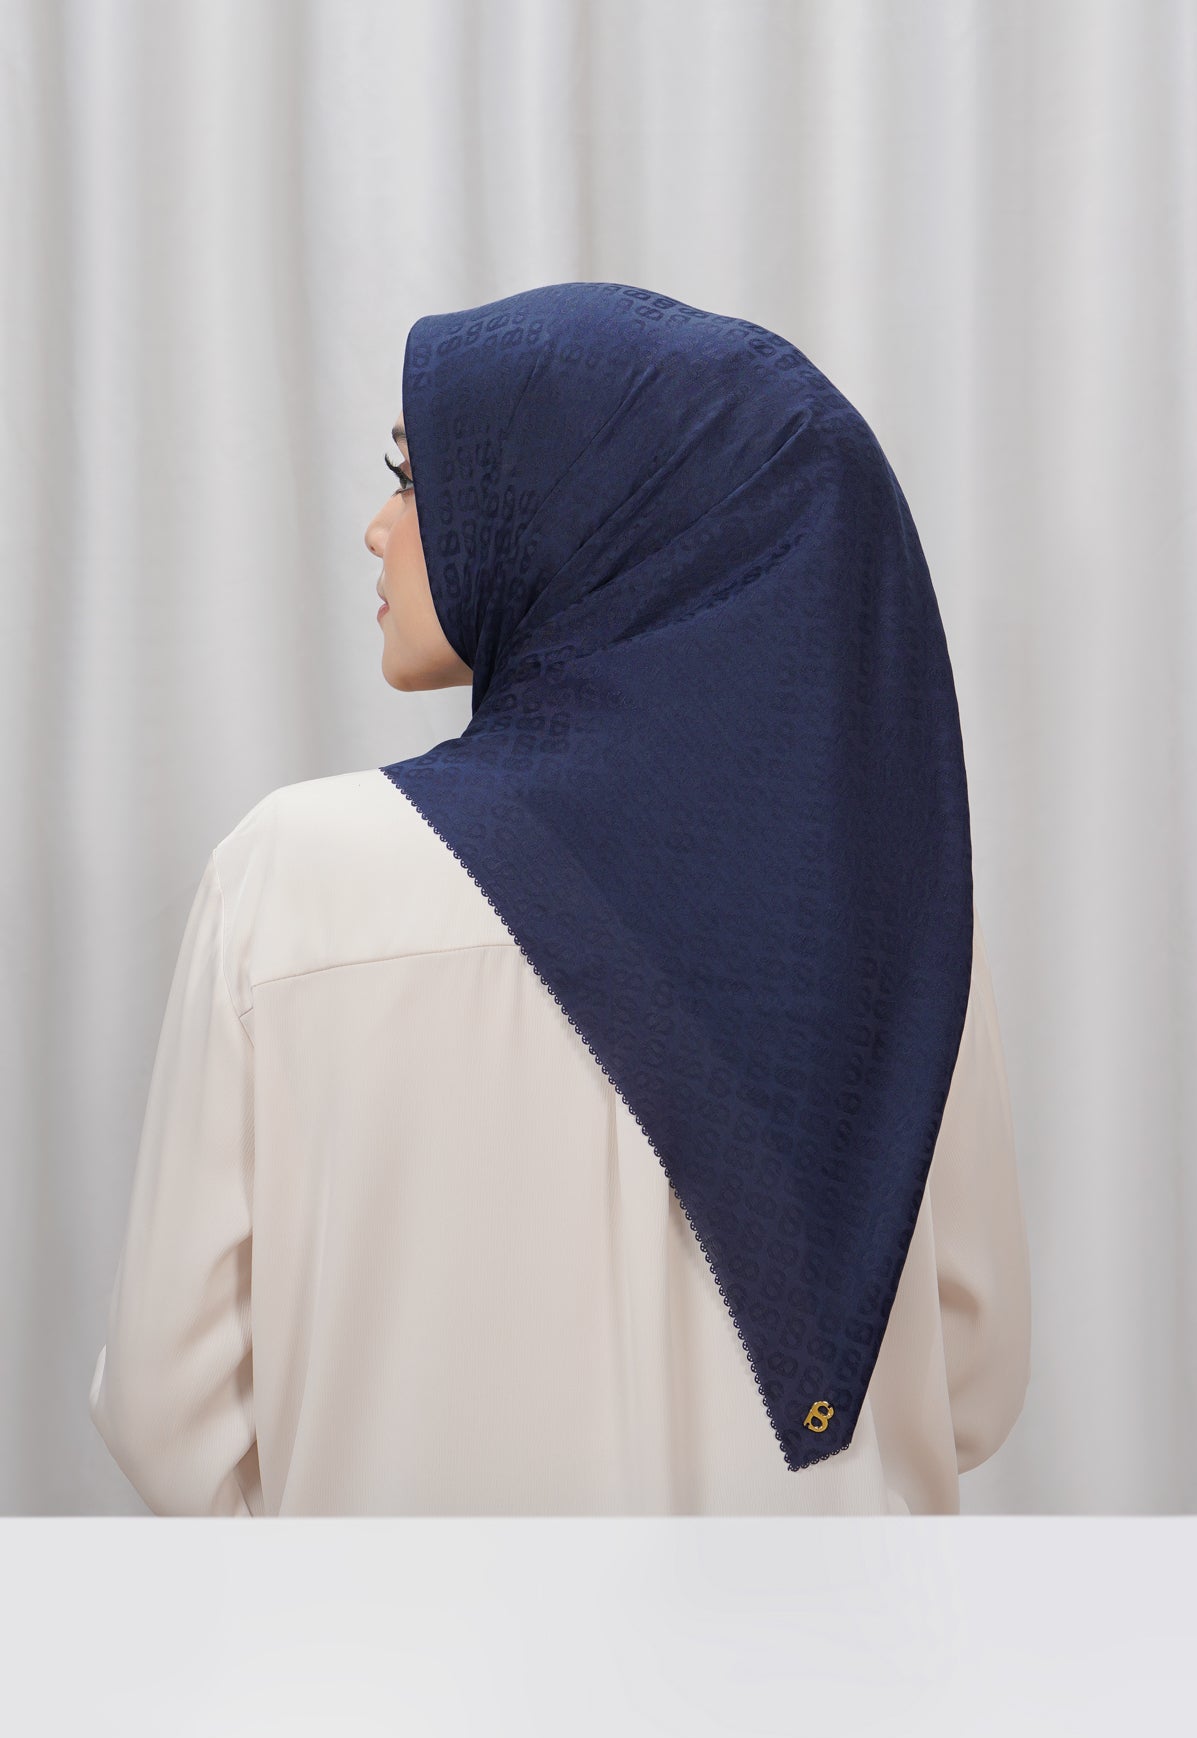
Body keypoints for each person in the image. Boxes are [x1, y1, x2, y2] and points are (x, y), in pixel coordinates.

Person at [90, 282, 1031, 1515]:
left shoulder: (291, 878)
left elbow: (168, 1417)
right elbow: (973, 1378)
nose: (377, 529)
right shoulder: (881, 900)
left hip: (393, 1637)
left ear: (583, 512)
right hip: (811, 1637)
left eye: (412, 479)